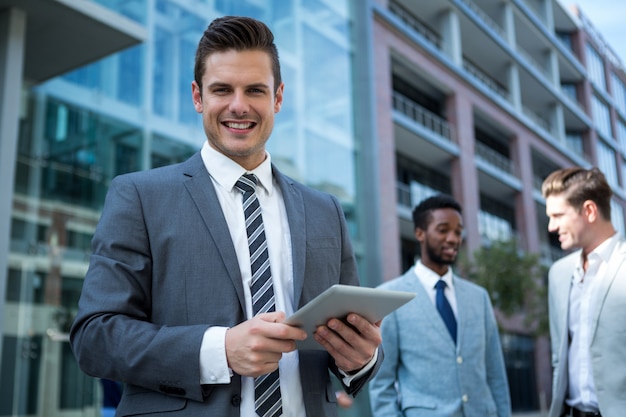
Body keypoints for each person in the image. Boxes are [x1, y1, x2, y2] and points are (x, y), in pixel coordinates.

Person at [70, 15, 382, 417]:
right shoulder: (139, 196)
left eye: (255, 89)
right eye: (222, 90)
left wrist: (360, 358)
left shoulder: (327, 210)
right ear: (198, 97)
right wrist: (219, 351)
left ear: (278, 97)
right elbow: (95, 338)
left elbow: (351, 337)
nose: (239, 105)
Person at [369, 194, 511, 417]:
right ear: (420, 233)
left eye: (458, 231)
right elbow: (381, 383)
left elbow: (495, 373)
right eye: (443, 230)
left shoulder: (479, 297)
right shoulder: (389, 297)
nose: (454, 238)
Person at [542, 167, 626, 417]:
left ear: (589, 211)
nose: (551, 226)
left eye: (557, 215)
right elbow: (559, 357)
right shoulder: (558, 273)